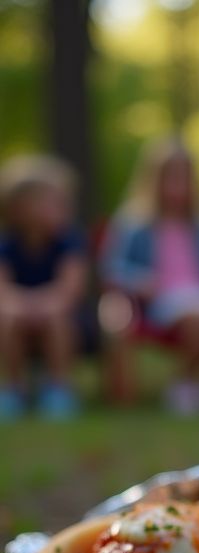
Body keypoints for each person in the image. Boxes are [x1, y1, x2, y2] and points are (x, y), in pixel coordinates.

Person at [101, 138, 199, 415]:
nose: (178, 185)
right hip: (162, 304)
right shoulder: (134, 223)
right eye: (171, 177)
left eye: (184, 177)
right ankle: (186, 381)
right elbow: (113, 268)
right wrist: (140, 281)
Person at [0, 155, 88, 419]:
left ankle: (59, 389)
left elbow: (71, 288)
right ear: (20, 207)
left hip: (61, 316)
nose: (63, 209)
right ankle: (13, 389)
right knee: (9, 318)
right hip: (16, 314)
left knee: (55, 317)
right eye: (53, 202)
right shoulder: (6, 245)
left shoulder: (70, 242)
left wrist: (42, 305)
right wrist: (22, 306)